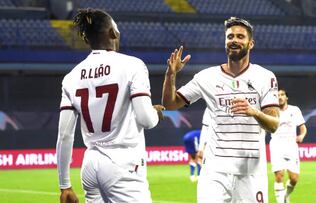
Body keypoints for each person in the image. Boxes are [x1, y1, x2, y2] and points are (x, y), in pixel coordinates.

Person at [162, 17, 280, 203]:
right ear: (225, 42)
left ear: (251, 43)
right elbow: (170, 104)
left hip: (250, 174)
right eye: (230, 36)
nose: (234, 40)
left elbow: (273, 125)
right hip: (214, 173)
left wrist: (254, 112)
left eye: (240, 36)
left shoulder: (265, 77)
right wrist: (171, 74)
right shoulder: (206, 77)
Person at [56, 8, 164, 203]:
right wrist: (155, 113)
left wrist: (64, 186)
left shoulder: (71, 77)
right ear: (113, 33)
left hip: (90, 165)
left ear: (87, 40)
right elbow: (146, 120)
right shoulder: (133, 65)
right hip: (123, 163)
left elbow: (64, 135)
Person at [270, 88, 307, 203]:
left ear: (286, 97)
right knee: (279, 175)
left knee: (294, 179)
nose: (280, 97)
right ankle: (281, 201)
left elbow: (303, 129)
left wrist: (301, 136)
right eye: (277, 95)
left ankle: (285, 196)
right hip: (277, 145)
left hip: (291, 146)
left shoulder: (295, 110)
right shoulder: (272, 111)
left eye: (282, 95)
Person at [183, 108, 210, 182]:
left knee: (193, 157)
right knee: (199, 157)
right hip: (193, 139)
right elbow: (204, 144)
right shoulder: (208, 134)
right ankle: (199, 175)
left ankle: (192, 176)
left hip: (186, 137)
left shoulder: (203, 131)